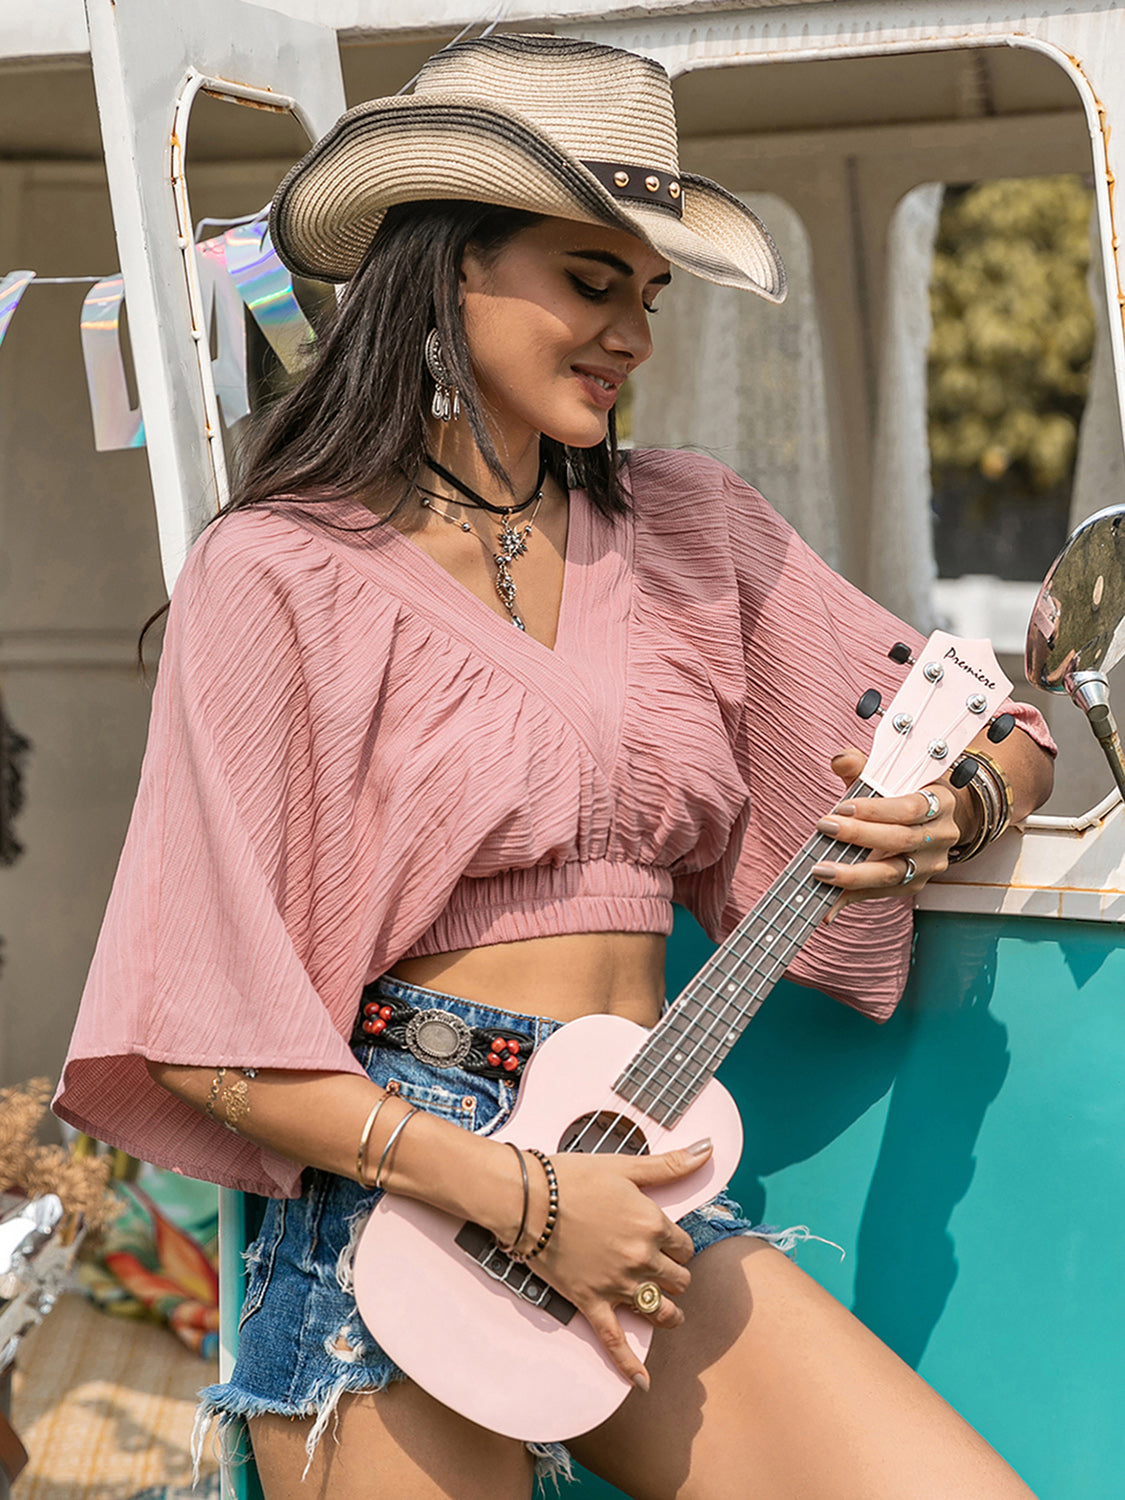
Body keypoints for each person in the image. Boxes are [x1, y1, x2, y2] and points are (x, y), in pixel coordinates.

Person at [56, 33, 1055, 1500]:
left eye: (645, 295)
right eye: (591, 282)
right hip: (403, 1199)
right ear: (443, 272)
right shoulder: (278, 574)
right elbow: (204, 1027)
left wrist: (952, 808)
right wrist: (517, 1194)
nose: (632, 335)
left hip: (642, 1167)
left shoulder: (693, 526)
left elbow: (1003, 730)